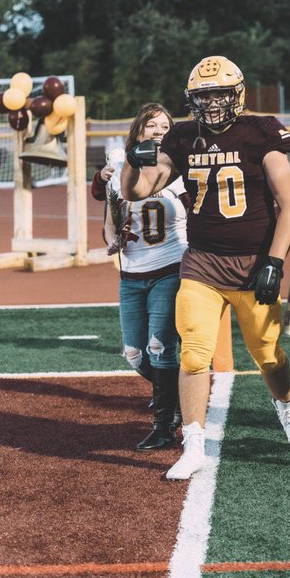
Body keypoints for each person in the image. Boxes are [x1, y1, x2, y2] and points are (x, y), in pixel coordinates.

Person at [121, 55, 290, 480]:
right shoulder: (183, 137)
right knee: (193, 354)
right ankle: (193, 445)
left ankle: (287, 407)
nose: (211, 103)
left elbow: (289, 204)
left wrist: (275, 261)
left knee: (268, 354)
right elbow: (137, 191)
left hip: (252, 264)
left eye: (220, 94)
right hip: (202, 263)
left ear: (237, 94)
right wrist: (132, 161)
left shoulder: (262, 131)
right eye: (204, 96)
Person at [91, 102, 188, 450]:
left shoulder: (179, 168)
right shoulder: (122, 169)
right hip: (131, 273)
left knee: (161, 347)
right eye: (152, 125)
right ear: (139, 130)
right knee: (134, 353)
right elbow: (109, 218)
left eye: (165, 126)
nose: (159, 131)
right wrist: (111, 240)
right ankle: (178, 395)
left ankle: (164, 425)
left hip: (170, 268)